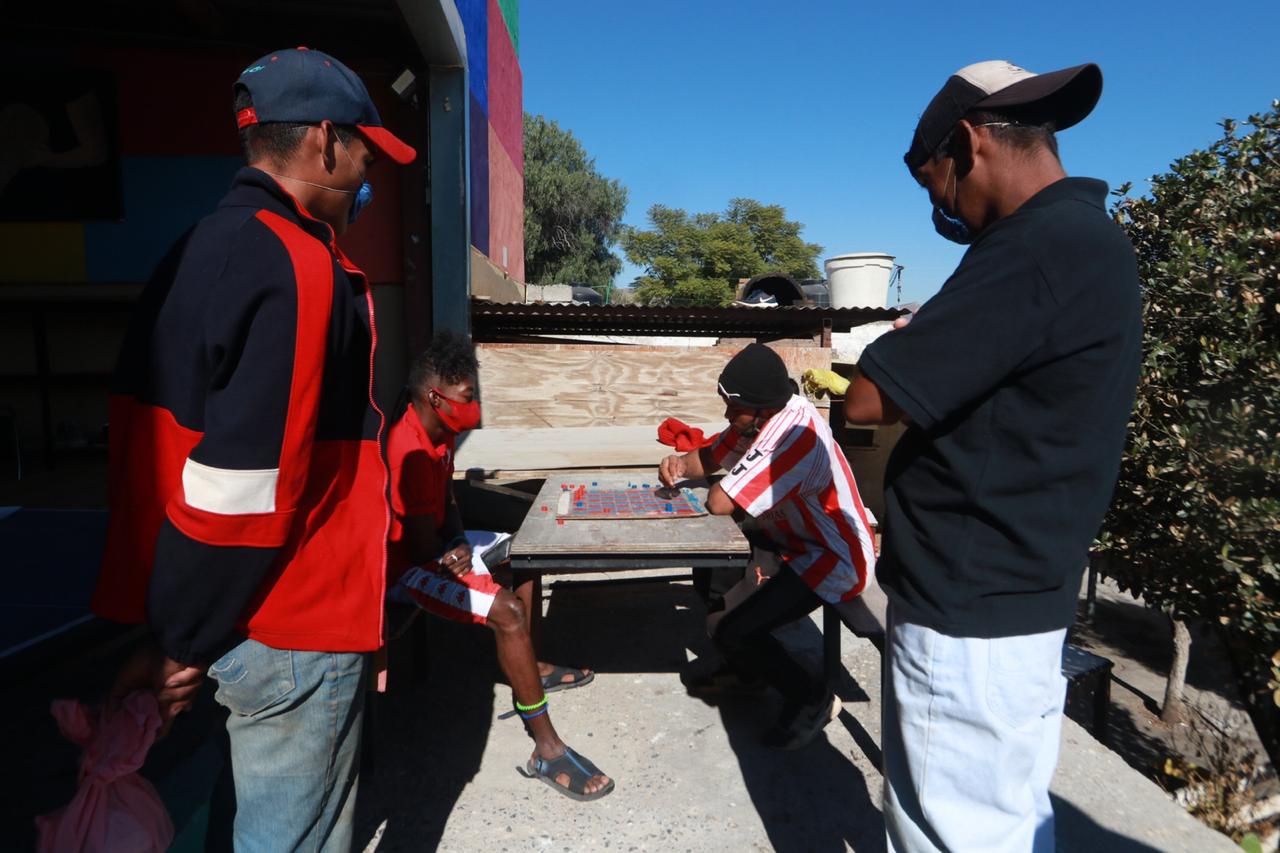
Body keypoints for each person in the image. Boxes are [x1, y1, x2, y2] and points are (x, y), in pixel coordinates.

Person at [91, 47, 417, 850]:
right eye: (364, 142)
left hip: (223, 611)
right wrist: (182, 642)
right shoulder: (301, 264)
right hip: (291, 619)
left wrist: (172, 623)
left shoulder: (197, 247)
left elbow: (159, 449)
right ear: (322, 141)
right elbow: (243, 483)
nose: (370, 162)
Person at [836, 60, 1141, 851]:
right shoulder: (1084, 240)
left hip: (967, 615)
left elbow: (868, 397)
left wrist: (894, 353)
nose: (942, 208)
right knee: (1000, 823)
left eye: (935, 184)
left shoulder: (1034, 247)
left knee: (953, 832)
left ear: (969, 143)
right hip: (1017, 597)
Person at [386, 332, 613, 801]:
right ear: (436, 397)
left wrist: (457, 540)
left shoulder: (439, 433)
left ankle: (531, 663)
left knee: (521, 548)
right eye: (468, 398)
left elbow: (446, 501)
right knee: (507, 612)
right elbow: (414, 545)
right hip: (403, 567)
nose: (474, 407)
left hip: (435, 548)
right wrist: (455, 554)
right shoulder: (403, 447)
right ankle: (546, 749)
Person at [658, 344, 877, 749]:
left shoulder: (795, 435)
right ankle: (747, 672)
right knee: (714, 594)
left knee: (734, 630)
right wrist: (676, 464)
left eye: (733, 408)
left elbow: (719, 501)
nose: (727, 415)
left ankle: (812, 698)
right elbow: (709, 457)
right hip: (789, 540)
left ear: (761, 408)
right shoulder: (761, 417)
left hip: (832, 556)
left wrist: (713, 471)